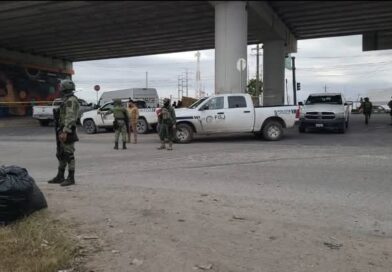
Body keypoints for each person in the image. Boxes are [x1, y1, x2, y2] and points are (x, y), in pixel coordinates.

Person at [48, 79, 80, 187]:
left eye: (61, 86)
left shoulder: (71, 100)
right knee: (61, 154)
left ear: (65, 87)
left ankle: (71, 178)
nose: (60, 88)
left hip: (68, 130)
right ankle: (60, 176)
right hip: (62, 129)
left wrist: (65, 131)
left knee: (69, 154)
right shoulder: (66, 99)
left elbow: (70, 117)